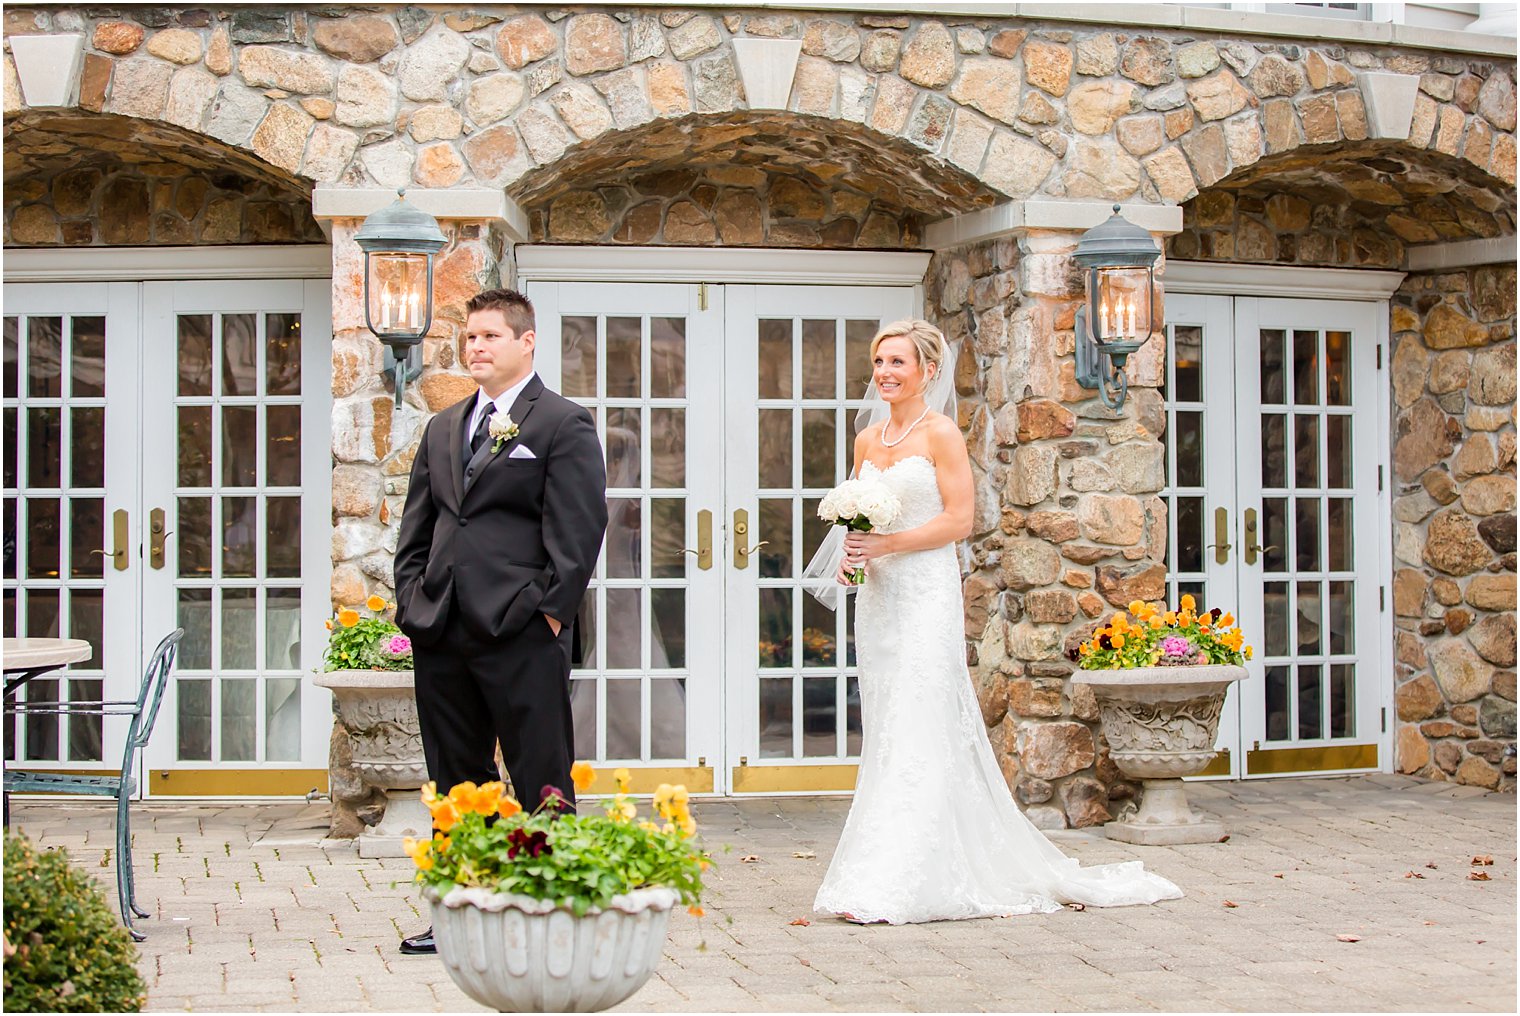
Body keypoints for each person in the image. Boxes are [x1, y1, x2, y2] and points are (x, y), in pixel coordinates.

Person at [809, 319, 1182, 924]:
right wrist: (856, 560)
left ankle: (911, 878)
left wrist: (889, 544)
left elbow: (960, 521)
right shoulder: (868, 442)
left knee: (921, 716)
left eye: (897, 362)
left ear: (928, 371)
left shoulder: (942, 434)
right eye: (879, 362)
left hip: (924, 592)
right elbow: (859, 529)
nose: (884, 373)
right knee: (885, 726)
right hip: (877, 598)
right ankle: (879, 868)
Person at [392, 288, 608, 953]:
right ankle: (462, 912)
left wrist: (545, 616)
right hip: (443, 630)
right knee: (456, 777)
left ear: (526, 341)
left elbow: (577, 534)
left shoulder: (561, 424)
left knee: (541, 768)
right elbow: (419, 528)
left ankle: (551, 906)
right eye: (470, 338)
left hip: (521, 633)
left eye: (491, 336)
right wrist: (412, 600)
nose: (477, 347)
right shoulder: (442, 426)